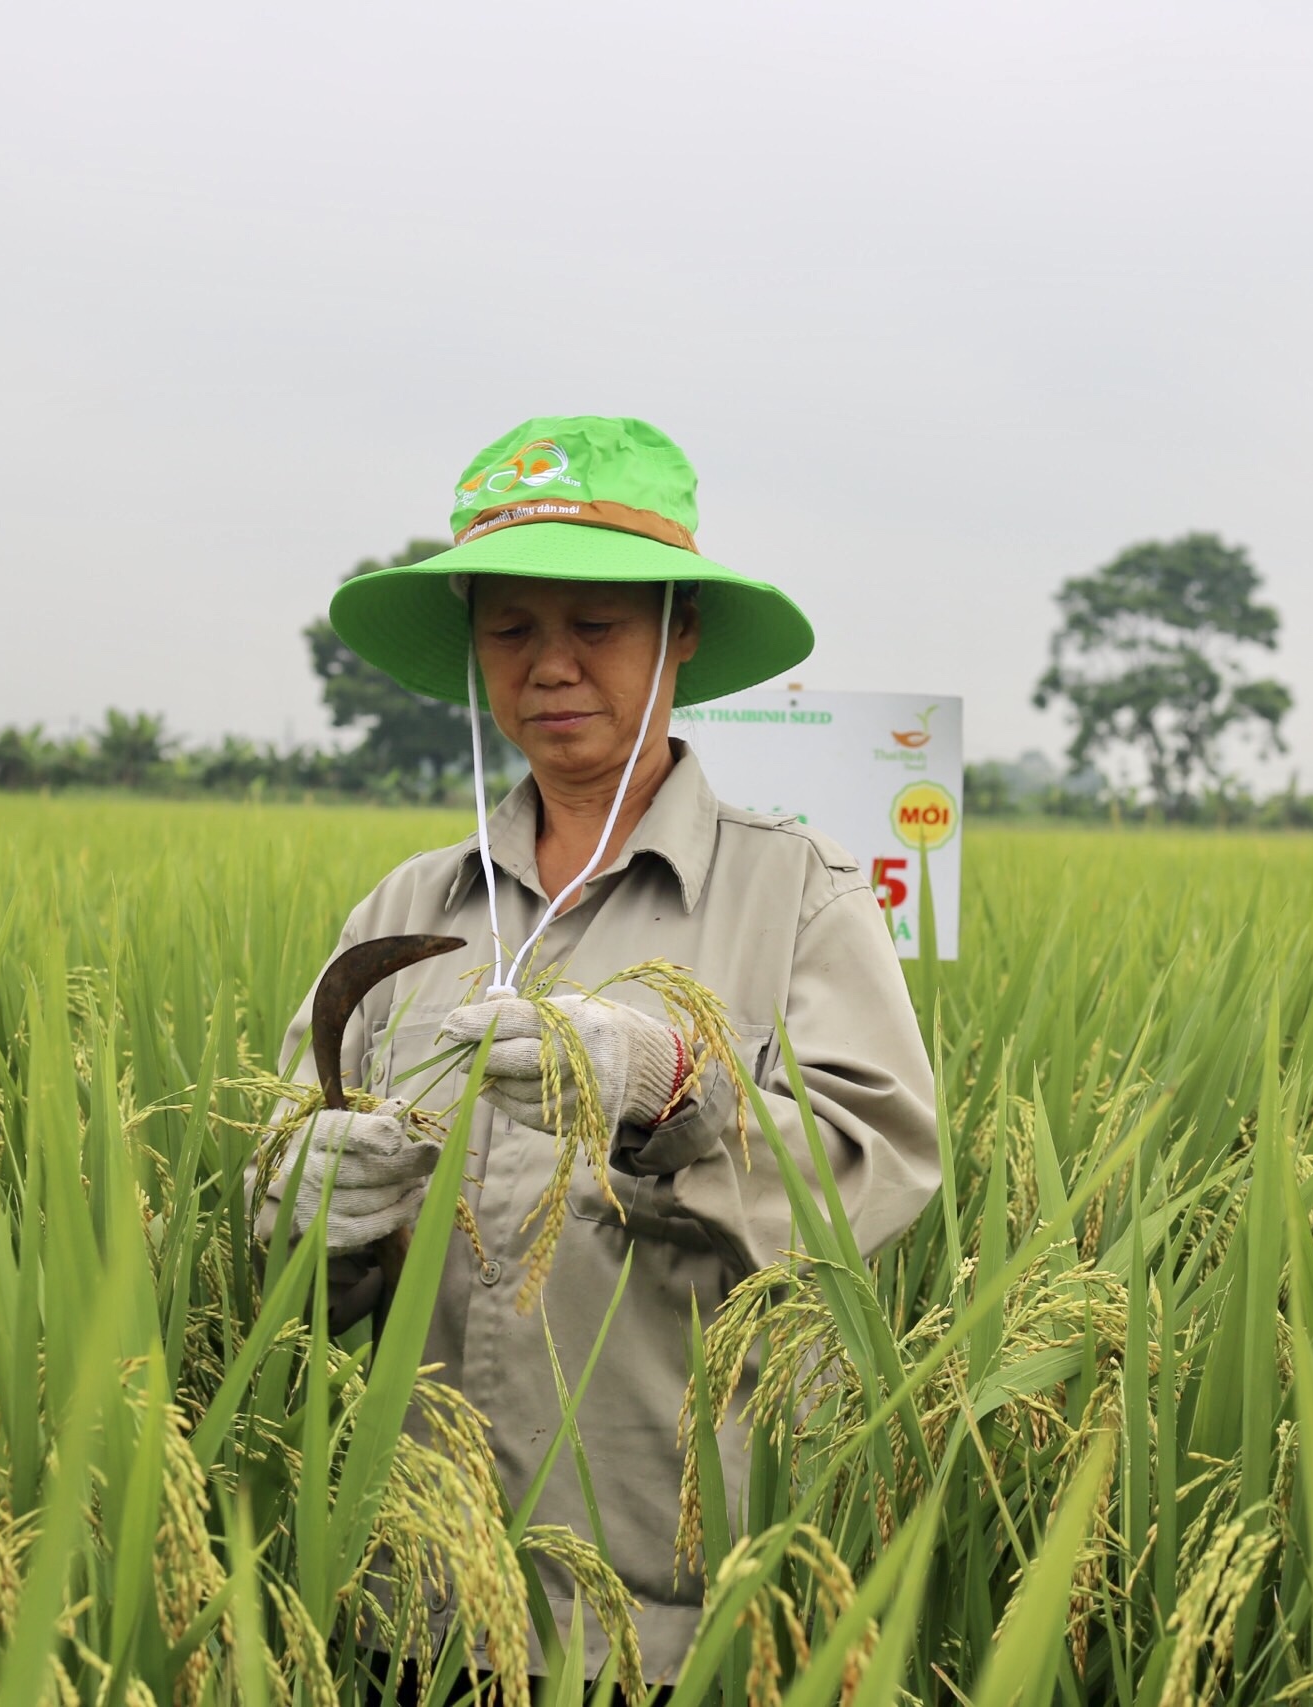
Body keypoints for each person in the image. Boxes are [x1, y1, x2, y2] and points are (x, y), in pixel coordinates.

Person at [259, 414, 939, 1686]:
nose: (552, 666)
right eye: (511, 628)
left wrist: (668, 1091)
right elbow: (294, 1233)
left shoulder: (796, 895)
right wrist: (304, 1207)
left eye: (597, 627)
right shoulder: (404, 911)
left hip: (678, 1611)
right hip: (420, 1589)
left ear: (677, 630)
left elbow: (877, 1172)